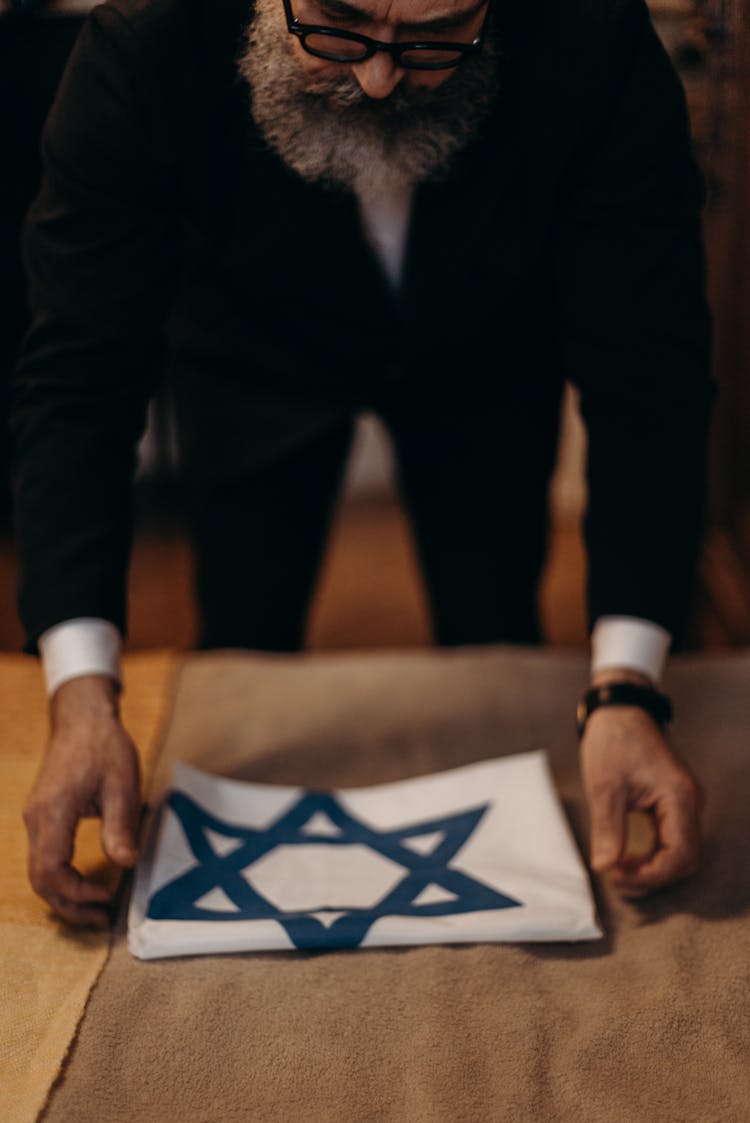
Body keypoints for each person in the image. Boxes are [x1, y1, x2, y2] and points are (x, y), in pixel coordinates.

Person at [10, 0, 714, 928]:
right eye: (338, 26)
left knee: (494, 637)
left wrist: (628, 685)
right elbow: (78, 377)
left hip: (488, 352)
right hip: (246, 348)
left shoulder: (592, 34)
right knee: (245, 649)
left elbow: (648, 375)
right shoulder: (146, 38)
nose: (380, 77)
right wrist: (80, 694)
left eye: (434, 37)